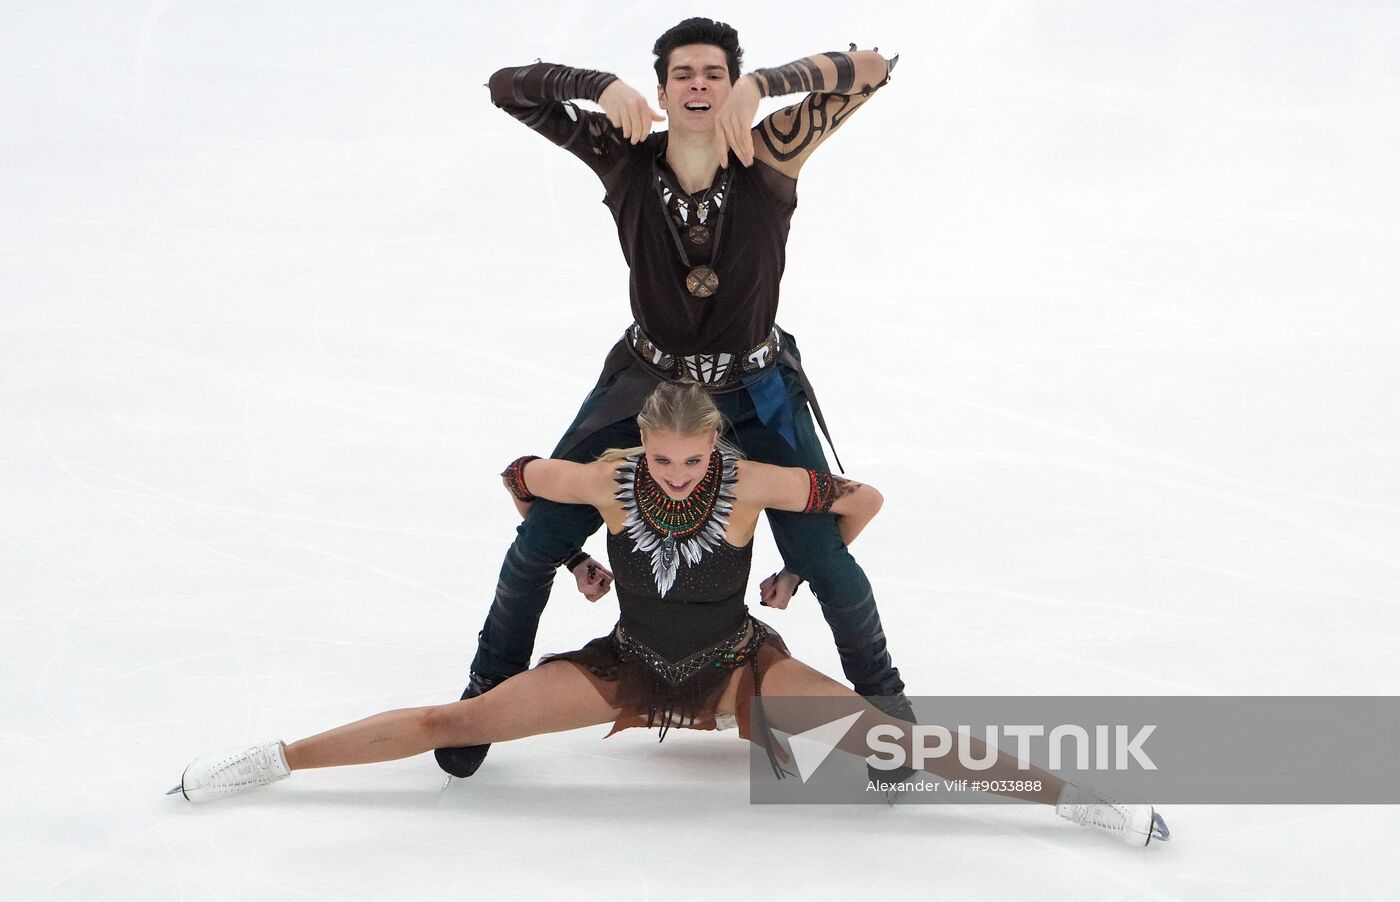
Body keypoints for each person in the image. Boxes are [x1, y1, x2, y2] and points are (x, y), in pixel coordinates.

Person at [170, 382, 1169, 848]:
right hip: (630, 661)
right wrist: (567, 555)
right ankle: (275, 759)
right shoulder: (607, 476)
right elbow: (518, 475)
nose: (679, 473)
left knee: (885, 739)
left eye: (692, 459)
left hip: (736, 664)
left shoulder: (751, 482)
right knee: (455, 720)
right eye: (664, 458)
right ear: (642, 444)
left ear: (713, 452)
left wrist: (790, 579)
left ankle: (1070, 795)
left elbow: (860, 498)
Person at [439, 16, 914, 780]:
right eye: (683, 74)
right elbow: (505, 90)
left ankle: (889, 712)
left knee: (825, 557)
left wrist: (769, 85)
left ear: (732, 88)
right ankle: (484, 694)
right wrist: (595, 88)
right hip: (646, 389)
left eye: (716, 73)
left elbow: (873, 66)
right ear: (660, 92)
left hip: (756, 390)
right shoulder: (623, 153)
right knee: (536, 546)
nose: (700, 83)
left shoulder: (774, 147)